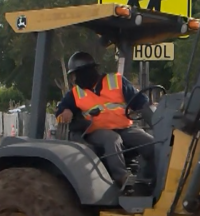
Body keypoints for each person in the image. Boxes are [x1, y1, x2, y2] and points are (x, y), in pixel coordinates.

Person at [55, 52, 156, 188]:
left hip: (125, 128)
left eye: (77, 74)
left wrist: (155, 120)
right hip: (96, 132)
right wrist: (65, 112)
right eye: (74, 76)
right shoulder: (75, 93)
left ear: (89, 71)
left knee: (151, 144)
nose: (75, 79)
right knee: (112, 139)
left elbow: (141, 103)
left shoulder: (116, 81)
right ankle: (122, 177)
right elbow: (61, 111)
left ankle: (150, 178)